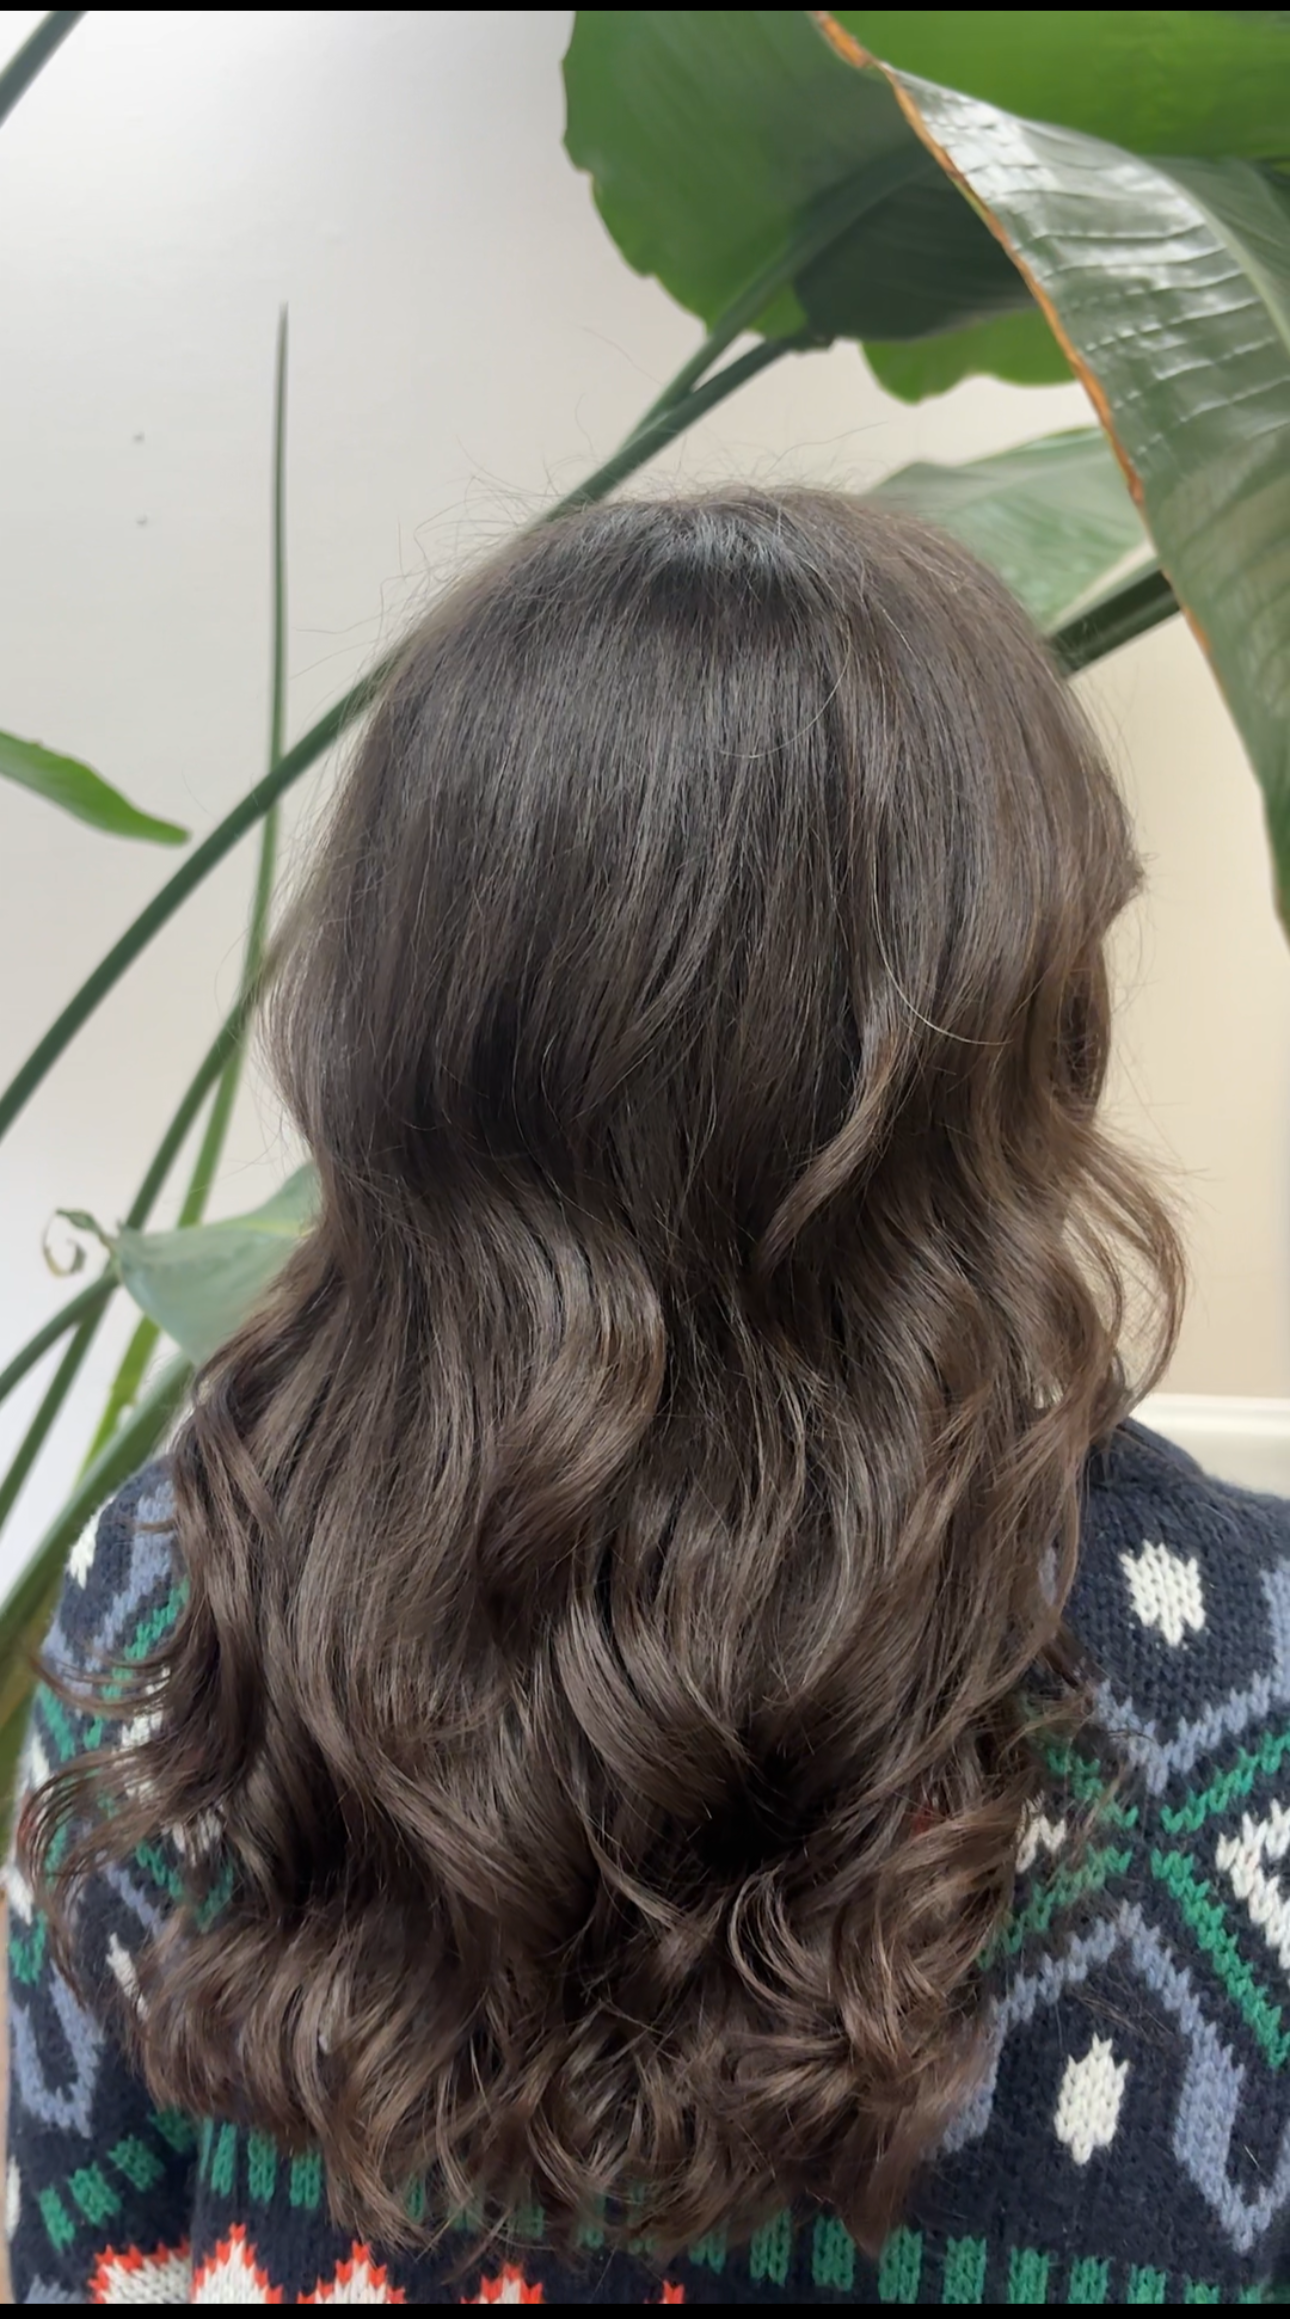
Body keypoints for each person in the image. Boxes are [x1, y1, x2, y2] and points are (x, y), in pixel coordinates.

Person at [5, 488, 1286, 2307]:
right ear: (1025, 1016)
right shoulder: (1260, 1671)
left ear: (408, 1038)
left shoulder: (177, 1614)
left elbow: (88, 2268)